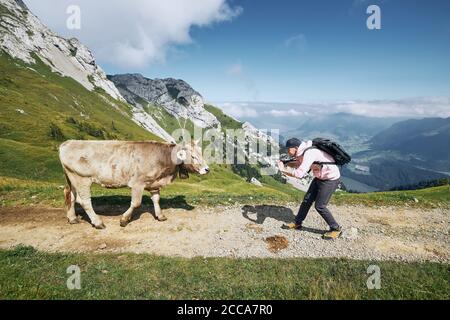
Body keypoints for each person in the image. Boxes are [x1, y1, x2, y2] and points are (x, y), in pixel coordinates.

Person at [278, 138, 342, 240]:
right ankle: (297, 223)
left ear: (295, 148)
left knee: (320, 206)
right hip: (319, 178)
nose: (287, 151)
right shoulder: (302, 153)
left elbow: (299, 174)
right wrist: (285, 163)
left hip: (330, 179)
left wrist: (283, 170)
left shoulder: (309, 153)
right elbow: (299, 165)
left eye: (288, 149)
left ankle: (336, 229)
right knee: (306, 201)